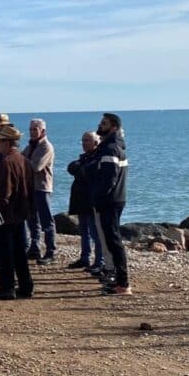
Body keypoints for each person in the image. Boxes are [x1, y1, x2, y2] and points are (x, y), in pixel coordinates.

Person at [88, 113, 131, 296]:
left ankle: (123, 283)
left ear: (113, 127)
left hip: (110, 201)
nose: (100, 125)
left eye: (104, 123)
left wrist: (99, 197)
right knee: (113, 241)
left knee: (113, 241)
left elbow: (109, 178)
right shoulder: (113, 147)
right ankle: (119, 281)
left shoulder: (110, 149)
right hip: (115, 199)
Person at [0, 125, 35, 300]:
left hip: (7, 216)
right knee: (19, 252)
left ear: (7, 143)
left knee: (3, 252)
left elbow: (4, 193)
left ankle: (7, 287)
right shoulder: (24, 160)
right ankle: (25, 285)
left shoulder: (6, 163)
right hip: (21, 213)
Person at [66, 131, 103, 271]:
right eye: (83, 140)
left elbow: (86, 171)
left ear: (96, 142)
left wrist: (81, 169)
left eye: (87, 140)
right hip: (81, 200)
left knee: (95, 232)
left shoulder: (98, 157)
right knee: (84, 231)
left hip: (91, 200)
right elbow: (72, 167)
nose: (84, 143)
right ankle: (85, 258)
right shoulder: (85, 157)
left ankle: (99, 261)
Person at [22, 118, 57, 264]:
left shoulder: (46, 147)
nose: (32, 132)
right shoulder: (31, 146)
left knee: (46, 220)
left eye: (35, 129)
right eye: (30, 129)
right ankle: (35, 247)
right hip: (31, 187)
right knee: (32, 220)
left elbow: (36, 167)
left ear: (42, 131)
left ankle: (50, 251)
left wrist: (22, 162)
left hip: (42, 187)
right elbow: (22, 159)